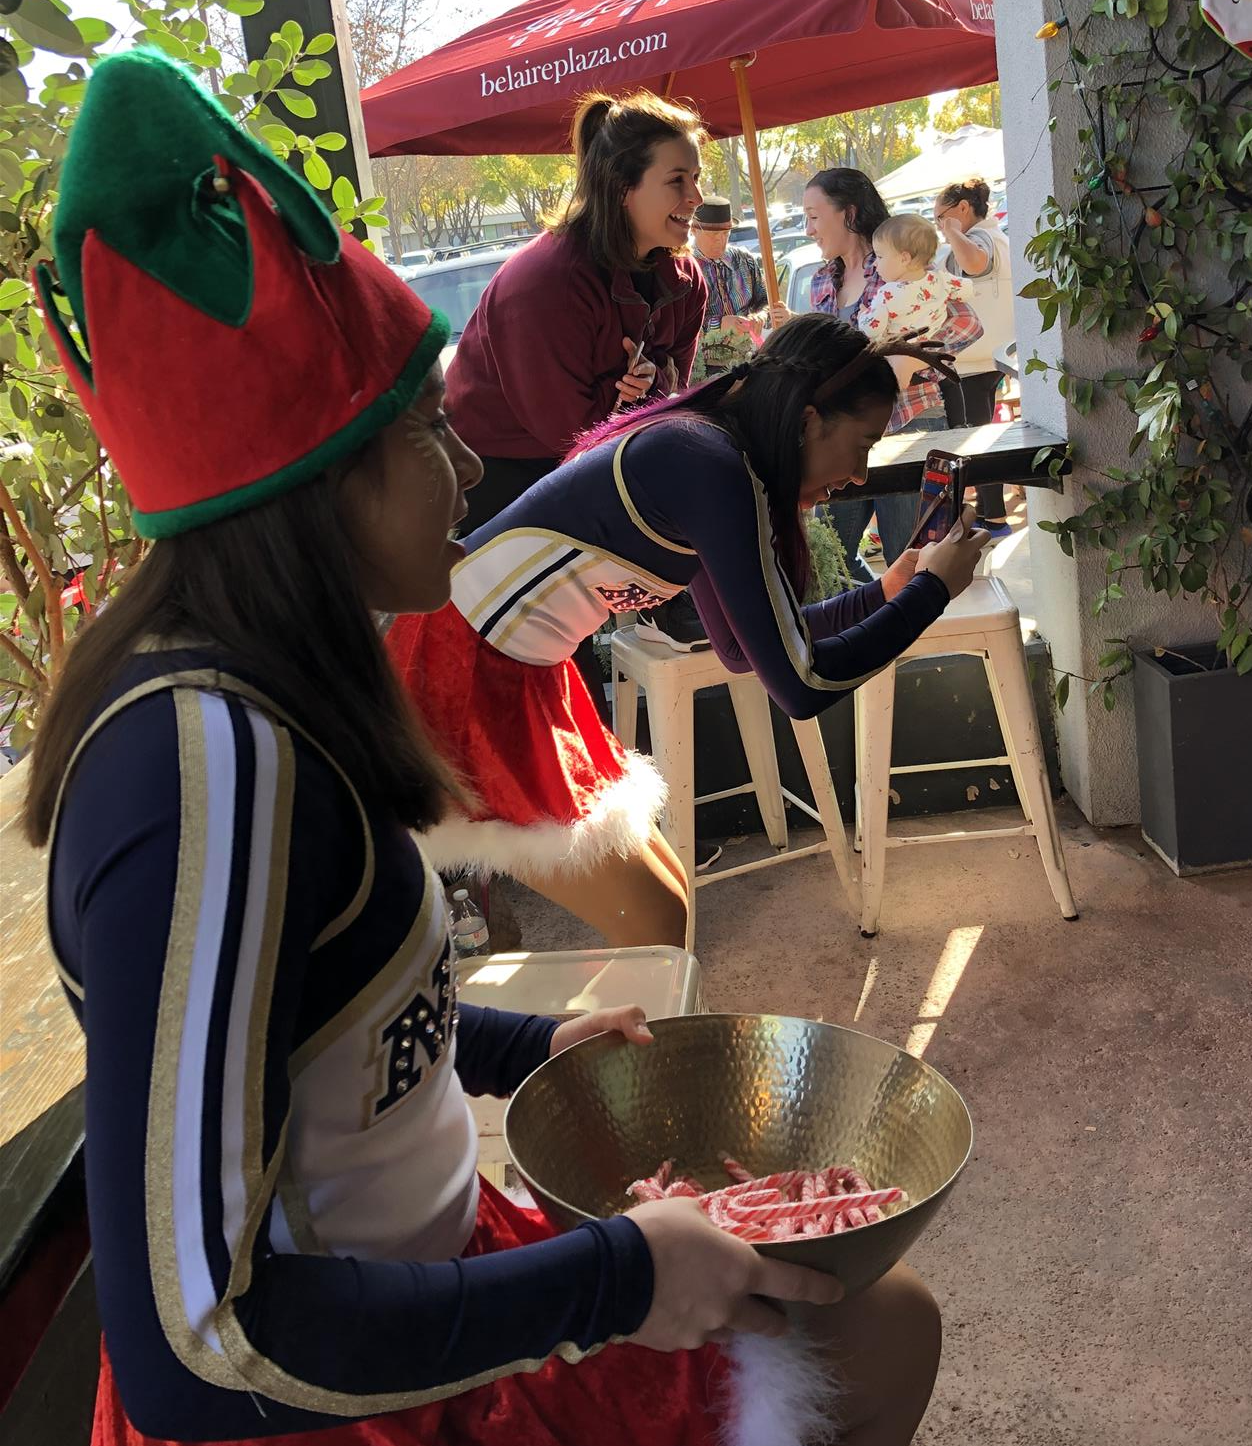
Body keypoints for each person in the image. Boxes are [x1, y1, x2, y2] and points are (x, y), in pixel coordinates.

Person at [28, 49, 941, 1446]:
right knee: (867, 1339)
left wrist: (532, 1043)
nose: (461, 469)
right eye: (418, 437)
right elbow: (197, 1338)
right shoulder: (202, 770)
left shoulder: (282, 706)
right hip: (327, 1444)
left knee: (877, 1329)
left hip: (438, 1269)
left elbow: (325, 1019)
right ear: (315, 490)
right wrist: (614, 1277)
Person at [386, 315, 990, 941]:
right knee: (656, 919)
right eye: (862, 444)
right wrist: (931, 592)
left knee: (667, 907)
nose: (861, 475)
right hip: (460, 666)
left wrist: (890, 591)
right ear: (809, 420)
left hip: (509, 662)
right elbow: (802, 685)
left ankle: (620, 1030)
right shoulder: (709, 463)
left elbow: (739, 651)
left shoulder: (715, 456)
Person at [442, 89, 709, 704]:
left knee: (573, 652)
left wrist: (648, 394)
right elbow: (565, 434)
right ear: (623, 187)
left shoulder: (684, 276)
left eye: (695, 178)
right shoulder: (544, 281)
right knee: (528, 663)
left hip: (591, 461)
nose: (695, 198)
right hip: (494, 481)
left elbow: (674, 401)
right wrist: (625, 405)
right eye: (677, 181)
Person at [802, 168, 983, 576]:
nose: (808, 228)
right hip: (842, 436)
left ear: (848, 214)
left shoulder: (897, 261)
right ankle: (870, 629)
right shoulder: (820, 281)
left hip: (909, 424)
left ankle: (924, 638)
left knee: (913, 558)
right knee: (829, 558)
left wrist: (910, 358)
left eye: (814, 216)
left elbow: (967, 324)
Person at [934, 177, 1014, 534]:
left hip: (970, 361)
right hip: (985, 357)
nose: (938, 225)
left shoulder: (979, 239)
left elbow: (974, 263)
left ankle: (992, 516)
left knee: (968, 443)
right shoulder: (996, 236)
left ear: (963, 209)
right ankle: (991, 513)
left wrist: (952, 234)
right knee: (977, 437)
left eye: (941, 217)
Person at [858, 214, 974, 345]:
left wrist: (863, 315)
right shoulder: (941, 279)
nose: (875, 263)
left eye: (880, 256)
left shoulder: (887, 294)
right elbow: (967, 290)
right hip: (931, 349)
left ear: (904, 258)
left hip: (900, 353)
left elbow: (871, 329)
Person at [690, 196, 771, 378]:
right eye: (713, 234)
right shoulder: (684, 269)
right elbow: (680, 326)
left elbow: (767, 302)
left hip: (749, 360)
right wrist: (719, 324)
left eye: (726, 233)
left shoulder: (745, 260)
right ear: (694, 230)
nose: (720, 240)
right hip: (704, 369)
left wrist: (760, 316)